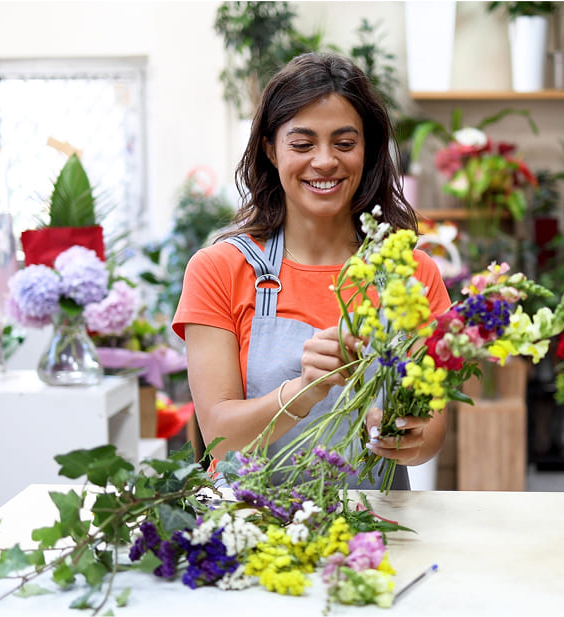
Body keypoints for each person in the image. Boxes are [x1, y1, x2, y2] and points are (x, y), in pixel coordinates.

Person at [171, 52, 451, 490]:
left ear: (368, 149)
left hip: (372, 533)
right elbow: (219, 441)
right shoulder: (218, 270)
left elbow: (431, 431)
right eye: (302, 144)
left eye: (344, 143)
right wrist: (302, 390)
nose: (324, 162)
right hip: (253, 530)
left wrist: (406, 435)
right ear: (270, 148)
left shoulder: (410, 271)